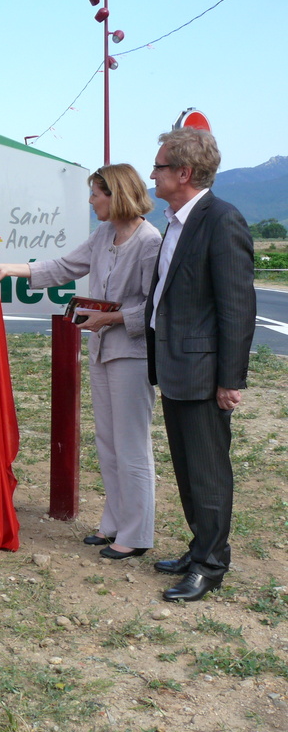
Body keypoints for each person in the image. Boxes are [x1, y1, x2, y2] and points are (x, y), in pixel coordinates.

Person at [0, 165, 162, 561]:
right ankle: (115, 523)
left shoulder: (151, 242)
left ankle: (136, 533)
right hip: (102, 349)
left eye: (96, 193)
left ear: (115, 194)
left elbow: (155, 307)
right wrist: (12, 268)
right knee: (108, 441)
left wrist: (110, 319)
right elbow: (65, 267)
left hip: (131, 353)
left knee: (131, 444)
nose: (90, 200)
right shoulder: (104, 235)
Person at [146, 128, 255, 602]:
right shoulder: (176, 220)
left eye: (159, 167)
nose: (153, 174)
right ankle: (198, 549)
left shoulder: (221, 220)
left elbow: (236, 307)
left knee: (208, 472)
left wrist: (230, 380)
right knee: (189, 469)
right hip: (175, 366)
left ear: (184, 173)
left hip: (204, 372)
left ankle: (210, 565)